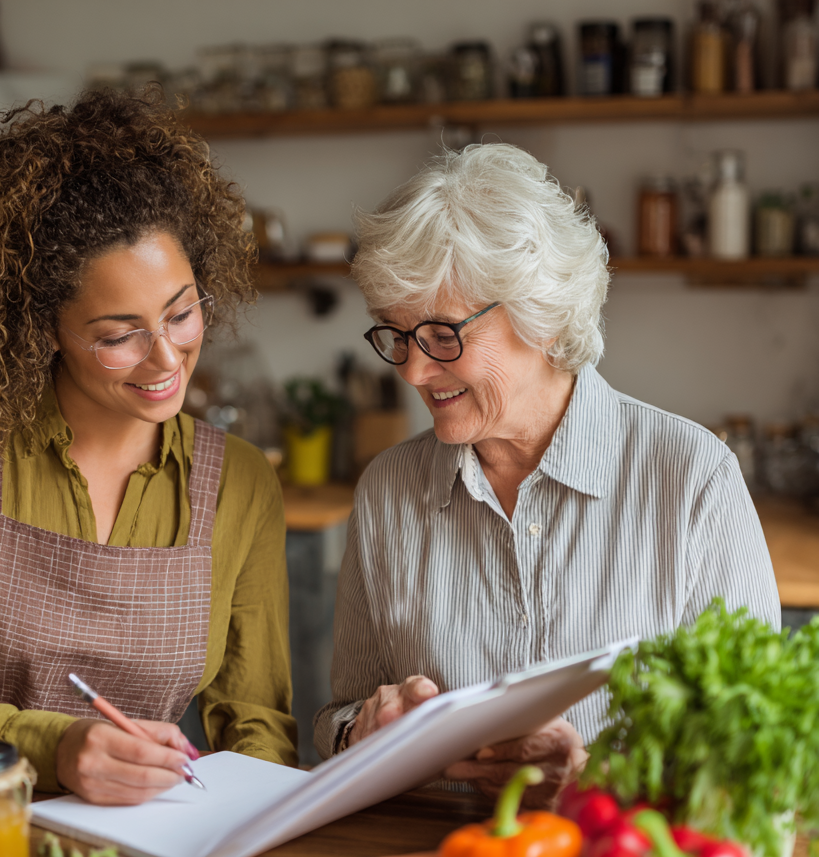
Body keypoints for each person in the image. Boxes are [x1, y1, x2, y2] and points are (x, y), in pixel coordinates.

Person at [0, 90, 297, 804]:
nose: (166, 359)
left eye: (182, 313)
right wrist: (56, 748)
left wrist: (253, 823)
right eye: (118, 336)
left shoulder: (238, 484)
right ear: (43, 328)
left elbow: (259, 728)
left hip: (153, 848)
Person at [314, 143, 779, 807]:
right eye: (395, 335)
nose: (413, 372)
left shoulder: (691, 480)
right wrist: (363, 731)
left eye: (443, 334)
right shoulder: (388, 491)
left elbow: (759, 761)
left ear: (542, 314)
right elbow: (338, 717)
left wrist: (594, 782)